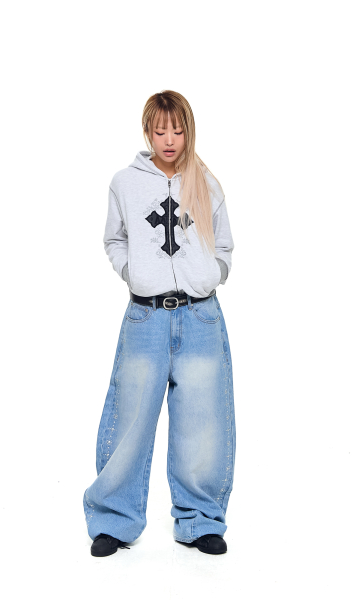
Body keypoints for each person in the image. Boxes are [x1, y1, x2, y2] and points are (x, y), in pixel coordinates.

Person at [83, 90, 235, 557]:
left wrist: (213, 273)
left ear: (189, 131)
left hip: (201, 316)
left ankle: (200, 520)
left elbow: (224, 245)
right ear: (148, 131)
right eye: (160, 130)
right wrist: (132, 272)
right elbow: (114, 238)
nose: (169, 140)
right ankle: (114, 520)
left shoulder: (206, 183)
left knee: (203, 422)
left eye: (178, 130)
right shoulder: (125, 183)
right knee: (129, 417)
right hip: (145, 316)